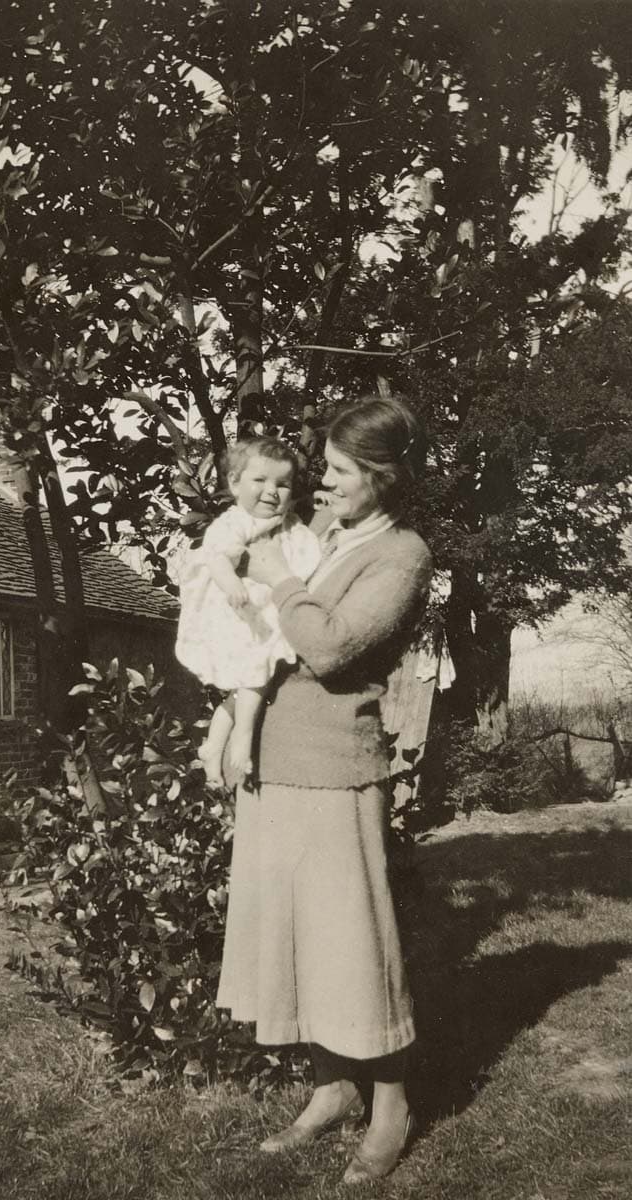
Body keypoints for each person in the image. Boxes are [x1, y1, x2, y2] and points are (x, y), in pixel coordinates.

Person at [216, 395, 433, 1185]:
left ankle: (391, 1106)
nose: (324, 482)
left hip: (338, 771)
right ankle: (331, 1087)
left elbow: (332, 649)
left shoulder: (401, 555)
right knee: (303, 941)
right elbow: (265, 648)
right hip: (276, 766)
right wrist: (226, 722)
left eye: (340, 471)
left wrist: (276, 577)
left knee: (355, 945)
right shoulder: (330, 539)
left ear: (381, 476)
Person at [175, 436, 321, 785]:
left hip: (262, 615)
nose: (272, 491)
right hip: (239, 614)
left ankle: (213, 747)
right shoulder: (235, 521)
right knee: (254, 676)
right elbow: (217, 557)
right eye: (261, 481)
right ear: (235, 484)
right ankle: (242, 736)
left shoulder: (289, 524)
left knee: (244, 687)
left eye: (282, 484)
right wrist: (233, 585)